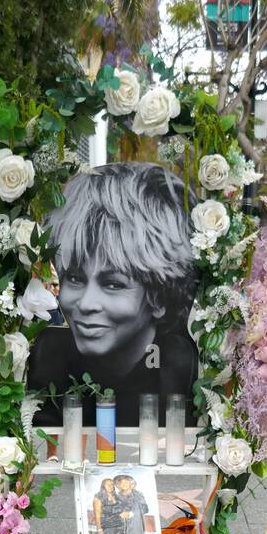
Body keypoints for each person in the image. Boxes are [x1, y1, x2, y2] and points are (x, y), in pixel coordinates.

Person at [27, 163, 198, 426]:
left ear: (159, 296)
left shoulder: (177, 369)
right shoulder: (49, 357)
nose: (86, 304)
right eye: (74, 278)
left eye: (113, 284)